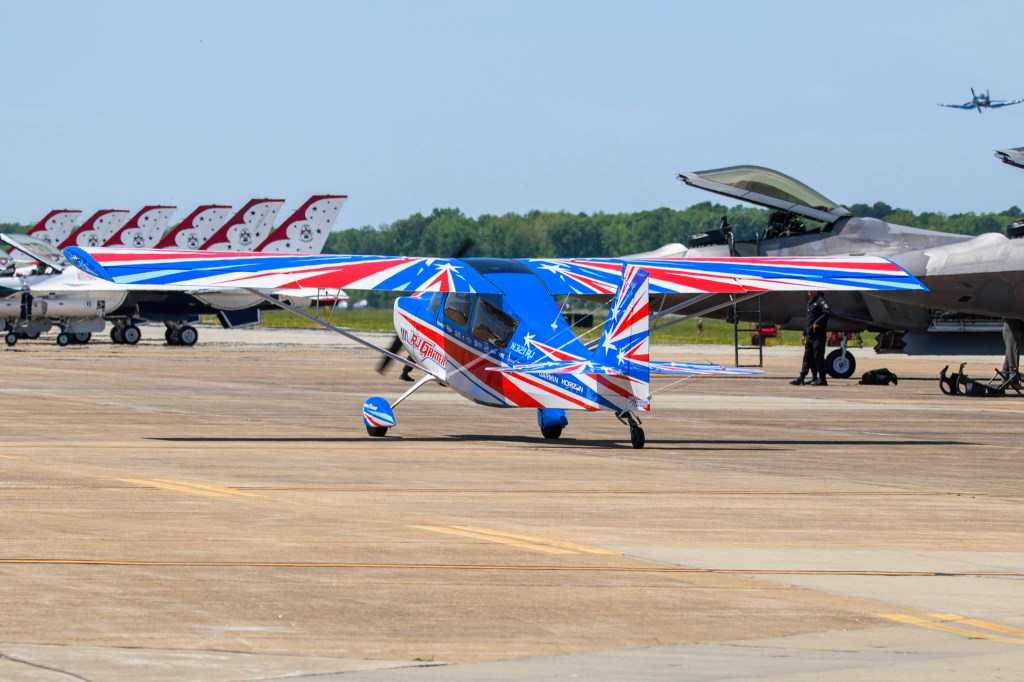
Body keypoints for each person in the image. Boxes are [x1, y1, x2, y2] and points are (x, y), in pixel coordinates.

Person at [790, 290, 831, 386]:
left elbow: (827, 312)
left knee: (818, 356)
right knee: (808, 357)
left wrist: (817, 322)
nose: (809, 292)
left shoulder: (821, 301)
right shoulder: (810, 302)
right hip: (810, 334)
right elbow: (809, 319)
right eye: (808, 291)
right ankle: (803, 378)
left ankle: (822, 379)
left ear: (816, 291)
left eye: (811, 290)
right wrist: (804, 333)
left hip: (818, 335)